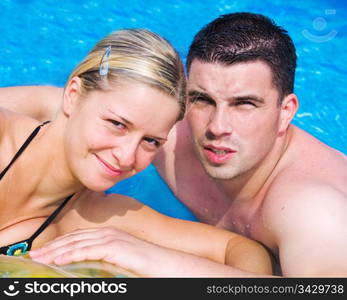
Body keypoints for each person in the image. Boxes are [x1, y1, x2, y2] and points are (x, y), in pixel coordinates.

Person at [3, 12, 347, 277]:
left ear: (286, 111)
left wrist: (154, 258)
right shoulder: (171, 132)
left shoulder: (313, 210)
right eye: (202, 99)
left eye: (245, 103)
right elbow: (71, 103)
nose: (217, 127)